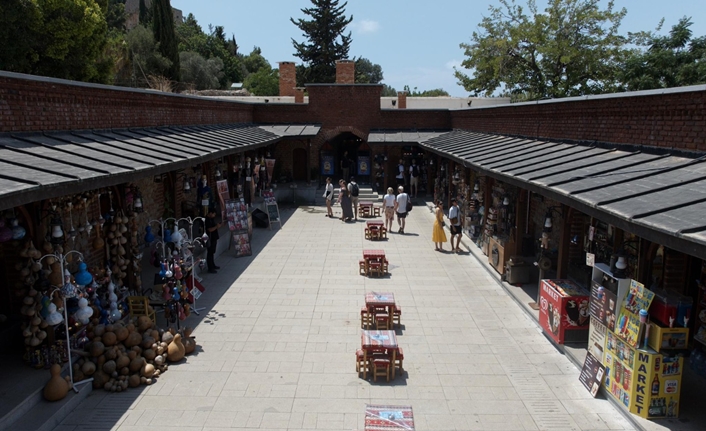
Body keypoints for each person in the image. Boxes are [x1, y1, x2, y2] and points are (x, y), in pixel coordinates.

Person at [205, 207, 222, 273]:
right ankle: (210, 268)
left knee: (212, 253)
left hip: (214, 238)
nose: (214, 216)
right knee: (209, 253)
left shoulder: (211, 219)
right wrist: (216, 227)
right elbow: (209, 229)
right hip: (210, 238)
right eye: (214, 214)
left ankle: (213, 265)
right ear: (210, 213)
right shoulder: (207, 220)